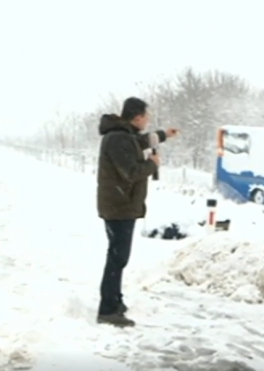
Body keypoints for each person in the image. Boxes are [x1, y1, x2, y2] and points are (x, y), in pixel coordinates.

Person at [96, 97, 179, 327]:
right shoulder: (118, 139)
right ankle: (107, 310)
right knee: (117, 258)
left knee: (118, 257)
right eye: (147, 115)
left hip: (122, 204)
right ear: (137, 117)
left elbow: (140, 141)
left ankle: (115, 300)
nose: (149, 119)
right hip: (119, 206)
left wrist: (164, 135)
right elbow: (131, 172)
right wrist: (153, 164)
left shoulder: (124, 134)